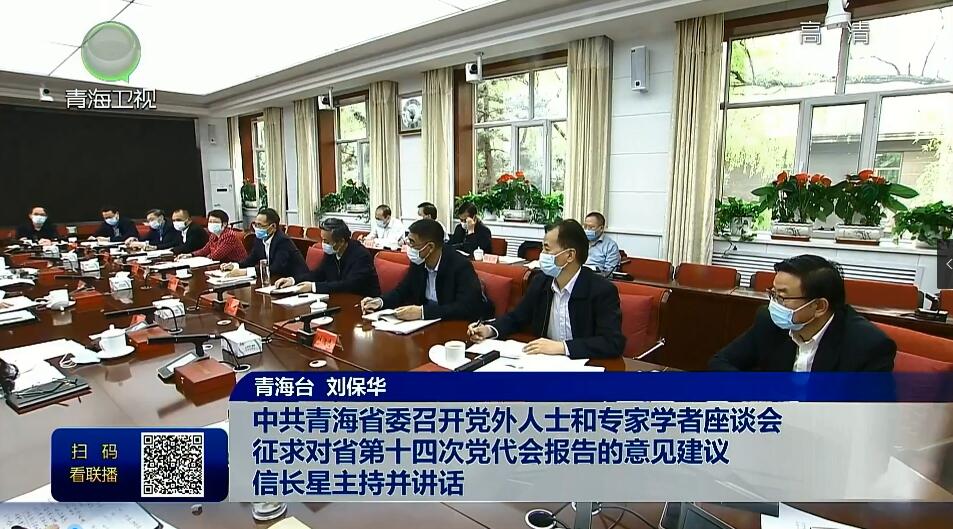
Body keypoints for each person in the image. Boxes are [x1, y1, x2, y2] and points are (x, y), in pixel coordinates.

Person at [709, 254, 896, 371]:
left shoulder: (868, 346)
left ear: (819, 306)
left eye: (782, 297)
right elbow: (720, 362)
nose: (774, 304)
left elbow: (870, 416)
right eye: (773, 294)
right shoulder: (769, 322)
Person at [468, 219, 625, 359]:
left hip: (584, 367)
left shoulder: (601, 290)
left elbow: (612, 342)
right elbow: (516, 317)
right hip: (543, 362)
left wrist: (562, 347)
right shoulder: (541, 282)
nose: (542, 255)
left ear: (570, 255)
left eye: (547, 249)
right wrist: (489, 329)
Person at [360, 219, 492, 321]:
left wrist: (422, 312)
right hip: (425, 326)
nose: (408, 246)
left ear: (430, 247)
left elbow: (465, 307)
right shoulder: (418, 263)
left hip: (454, 326)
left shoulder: (459, 265)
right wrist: (380, 302)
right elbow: (402, 291)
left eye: (412, 242)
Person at [273, 217, 381, 297]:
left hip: (361, 302)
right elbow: (318, 273)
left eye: (326, 241)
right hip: (338, 298)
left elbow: (349, 285)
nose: (323, 244)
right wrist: (292, 280)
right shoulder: (332, 251)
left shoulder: (360, 255)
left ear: (341, 241)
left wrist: (313, 287)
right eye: (322, 240)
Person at [221, 208, 308, 279]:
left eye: (260, 225)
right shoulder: (259, 239)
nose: (257, 228)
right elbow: (250, 260)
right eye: (255, 225)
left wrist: (245, 272)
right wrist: (235, 266)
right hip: (274, 280)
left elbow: (276, 268)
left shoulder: (283, 241)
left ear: (273, 226)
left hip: (296, 280)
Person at [178, 209, 247, 263]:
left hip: (237, 266)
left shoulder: (229, 236)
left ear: (224, 224)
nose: (211, 224)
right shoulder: (213, 235)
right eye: (210, 221)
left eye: (215, 222)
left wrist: (199, 260)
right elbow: (205, 250)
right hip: (222, 265)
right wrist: (190, 255)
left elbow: (216, 255)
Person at [583, 211, 620, 276]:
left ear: (601, 228)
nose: (587, 230)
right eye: (585, 227)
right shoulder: (579, 242)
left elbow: (610, 272)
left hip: (597, 278)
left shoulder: (611, 246)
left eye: (591, 227)